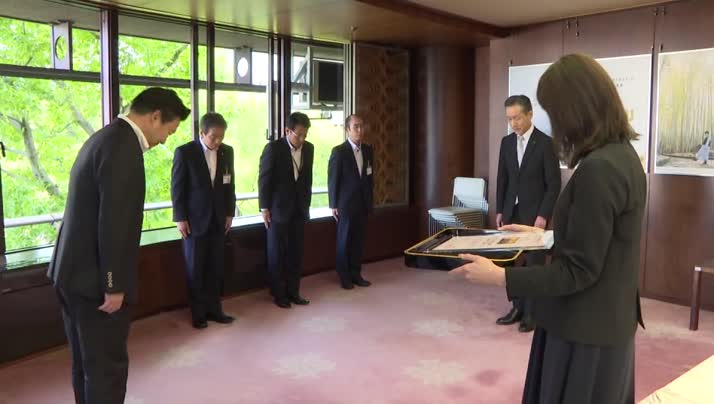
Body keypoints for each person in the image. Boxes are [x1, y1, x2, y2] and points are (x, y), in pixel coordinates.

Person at [451, 53, 646, 404]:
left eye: (554, 113)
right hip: (607, 321)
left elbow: (578, 270)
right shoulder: (623, 156)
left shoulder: (599, 169)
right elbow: (602, 241)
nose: (555, 125)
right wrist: (543, 237)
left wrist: (501, 277)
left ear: (576, 111)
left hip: (584, 328)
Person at [47, 87, 190, 404]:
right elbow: (114, 224)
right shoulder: (123, 148)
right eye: (169, 131)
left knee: (86, 365)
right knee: (106, 370)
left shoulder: (104, 137)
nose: (165, 140)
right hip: (95, 283)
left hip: (71, 274)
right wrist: (113, 285)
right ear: (155, 117)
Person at [495, 95, 561, 332]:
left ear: (530, 114)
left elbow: (553, 184)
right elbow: (502, 179)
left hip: (534, 216)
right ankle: (517, 308)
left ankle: (532, 313)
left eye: (517, 118)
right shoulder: (506, 143)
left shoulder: (545, 144)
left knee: (534, 265)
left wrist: (543, 215)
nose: (513, 123)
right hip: (510, 212)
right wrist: (500, 210)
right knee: (512, 264)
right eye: (509, 119)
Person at [171, 112, 236, 329]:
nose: (218, 141)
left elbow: (230, 185)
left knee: (215, 268)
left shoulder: (227, 152)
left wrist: (229, 213)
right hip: (194, 221)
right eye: (213, 137)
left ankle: (215, 310)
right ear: (202, 133)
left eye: (221, 137)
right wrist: (180, 218)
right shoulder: (185, 153)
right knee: (195, 269)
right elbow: (177, 188)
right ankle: (198, 314)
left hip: (218, 219)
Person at [258, 112, 314, 308]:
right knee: (277, 254)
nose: (302, 139)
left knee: (295, 253)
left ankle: (294, 292)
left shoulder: (309, 148)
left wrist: (306, 204)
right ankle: (279, 294)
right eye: (299, 135)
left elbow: (307, 179)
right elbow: (264, 179)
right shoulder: (273, 149)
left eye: (305, 135)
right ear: (287, 131)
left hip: (299, 209)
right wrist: (264, 208)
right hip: (277, 210)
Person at [328, 114, 374, 289]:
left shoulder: (368, 150)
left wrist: (370, 201)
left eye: (362, 126)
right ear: (347, 129)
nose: (360, 130)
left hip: (362, 203)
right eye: (356, 127)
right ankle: (344, 277)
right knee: (344, 241)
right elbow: (333, 179)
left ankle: (356, 274)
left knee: (358, 241)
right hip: (345, 204)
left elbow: (370, 177)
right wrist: (333, 204)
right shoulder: (339, 151)